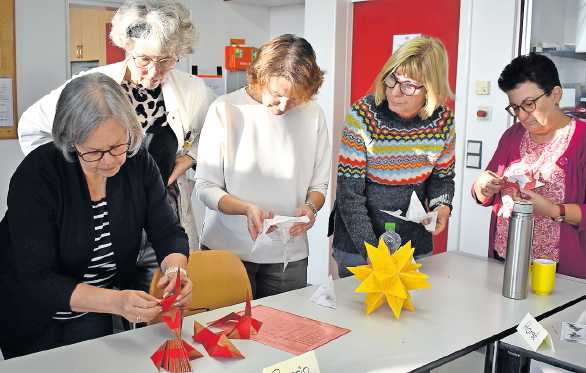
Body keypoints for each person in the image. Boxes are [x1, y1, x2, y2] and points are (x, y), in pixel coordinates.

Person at [17, 0, 215, 293]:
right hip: (104, 209)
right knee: (103, 296)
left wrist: (188, 158)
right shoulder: (92, 86)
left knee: (161, 297)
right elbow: (33, 127)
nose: (154, 71)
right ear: (127, 46)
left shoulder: (194, 91)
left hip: (161, 209)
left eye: (166, 60)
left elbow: (213, 135)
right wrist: (76, 172)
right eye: (144, 59)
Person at [0, 73, 192, 359]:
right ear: (69, 141)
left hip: (97, 311)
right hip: (34, 317)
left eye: (117, 146)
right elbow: (37, 280)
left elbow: (167, 232)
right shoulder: (38, 175)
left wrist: (176, 271)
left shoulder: (137, 162)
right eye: (93, 152)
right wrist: (116, 301)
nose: (110, 161)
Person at [195, 34, 331, 298]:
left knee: (283, 332)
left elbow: (319, 185)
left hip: (288, 254)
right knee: (226, 333)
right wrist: (246, 209)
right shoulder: (225, 109)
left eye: (294, 100)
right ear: (259, 77)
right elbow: (205, 187)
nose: (282, 107)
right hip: (227, 251)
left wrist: (311, 207)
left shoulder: (313, 114)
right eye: (276, 95)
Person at [330, 36, 455, 277]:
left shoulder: (443, 122)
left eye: (408, 86)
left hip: (413, 246)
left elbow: (442, 177)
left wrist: (442, 206)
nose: (395, 92)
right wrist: (373, 253)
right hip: (359, 247)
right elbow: (349, 195)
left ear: (430, 89)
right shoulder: (364, 116)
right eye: (392, 79)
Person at [472, 53, 586, 278]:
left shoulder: (581, 140)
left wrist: (554, 210)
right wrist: (482, 187)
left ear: (555, 94)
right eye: (515, 108)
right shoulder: (512, 136)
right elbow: (486, 189)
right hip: (506, 262)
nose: (522, 116)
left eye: (529, 104)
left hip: (560, 274)